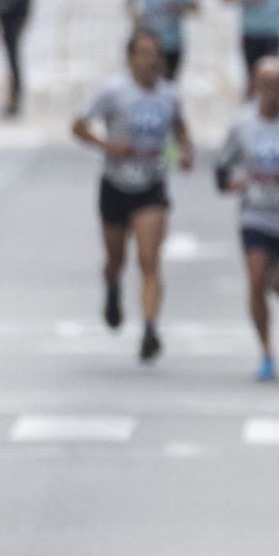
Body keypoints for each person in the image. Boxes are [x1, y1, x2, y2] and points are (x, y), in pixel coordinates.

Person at [71, 27, 195, 363]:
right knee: (116, 260)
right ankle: (112, 288)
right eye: (142, 52)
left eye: (154, 53)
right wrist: (107, 146)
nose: (149, 59)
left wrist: (185, 150)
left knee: (149, 260)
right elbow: (78, 125)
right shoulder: (114, 91)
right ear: (130, 58)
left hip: (151, 185)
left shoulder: (169, 95)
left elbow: (181, 128)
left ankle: (150, 329)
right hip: (115, 183)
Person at [218, 58, 279, 380]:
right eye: (266, 84)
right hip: (256, 215)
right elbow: (221, 168)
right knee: (256, 280)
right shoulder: (242, 123)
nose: (272, 91)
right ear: (255, 86)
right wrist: (230, 183)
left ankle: (277, 269)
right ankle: (265, 351)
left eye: (278, 84)